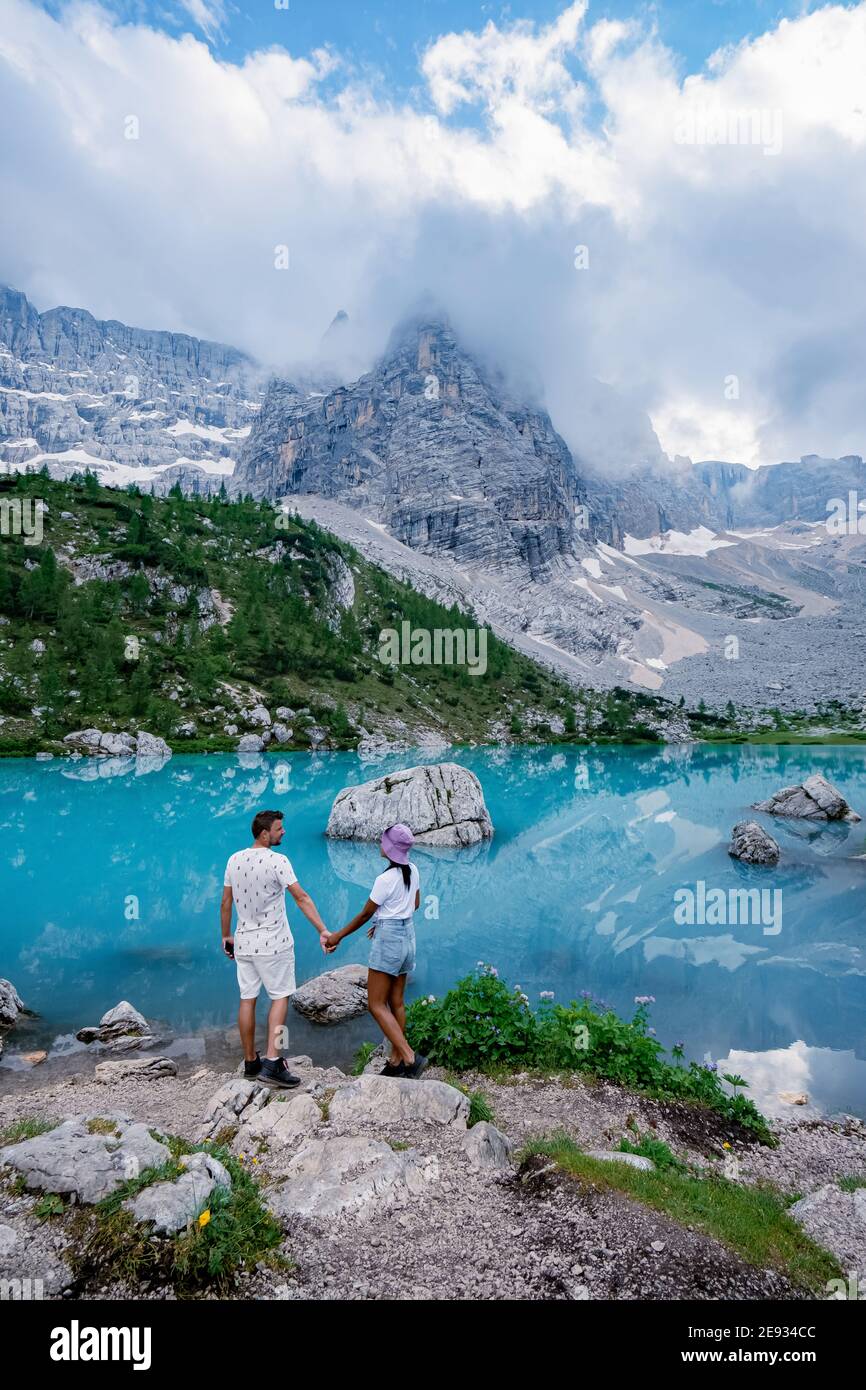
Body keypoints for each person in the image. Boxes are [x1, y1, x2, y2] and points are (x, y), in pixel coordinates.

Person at [221, 808, 329, 1088]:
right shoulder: (278, 861)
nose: (284, 832)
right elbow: (301, 898)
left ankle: (250, 1061)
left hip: (244, 942)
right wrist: (322, 930)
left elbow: (225, 903)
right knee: (280, 999)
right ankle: (273, 1061)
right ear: (264, 833)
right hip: (274, 944)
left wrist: (226, 936)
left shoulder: (234, 860)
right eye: (279, 829)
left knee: (247, 999)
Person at [324, 823, 427, 1079]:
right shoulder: (413, 870)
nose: (380, 845)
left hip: (390, 941)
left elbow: (364, 914)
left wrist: (338, 936)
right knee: (397, 1002)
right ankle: (395, 1063)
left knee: (376, 1004)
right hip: (408, 937)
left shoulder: (385, 879)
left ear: (390, 849)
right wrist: (386, 921)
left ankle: (409, 1057)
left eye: (384, 842)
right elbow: (414, 904)